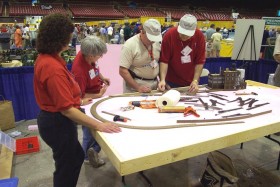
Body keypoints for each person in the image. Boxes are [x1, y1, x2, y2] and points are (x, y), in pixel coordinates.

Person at [33, 13, 121, 187]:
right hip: (57, 122)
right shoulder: (51, 67)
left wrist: (79, 101)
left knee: (73, 159)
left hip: (57, 119)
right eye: (69, 34)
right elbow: (66, 109)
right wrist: (98, 125)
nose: (72, 37)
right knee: (67, 166)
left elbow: (61, 96)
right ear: (60, 37)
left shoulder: (51, 58)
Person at [71, 35, 110, 168]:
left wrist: (102, 78)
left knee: (99, 125)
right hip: (88, 100)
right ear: (91, 55)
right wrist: (98, 94)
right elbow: (80, 95)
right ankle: (87, 157)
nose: (101, 57)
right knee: (89, 130)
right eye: (99, 55)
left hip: (95, 95)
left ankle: (93, 150)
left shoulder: (87, 56)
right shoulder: (79, 71)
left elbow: (95, 69)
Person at [158, 14, 206, 93]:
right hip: (171, 81)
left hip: (190, 82)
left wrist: (195, 80)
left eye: (188, 35)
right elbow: (164, 60)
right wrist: (162, 80)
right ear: (178, 26)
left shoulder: (199, 36)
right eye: (182, 33)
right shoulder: (169, 35)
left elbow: (200, 61)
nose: (184, 37)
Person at [119, 19, 162, 93]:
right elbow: (122, 70)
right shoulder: (129, 45)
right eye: (150, 38)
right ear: (142, 32)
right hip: (135, 87)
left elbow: (160, 63)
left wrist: (162, 80)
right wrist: (138, 87)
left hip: (155, 84)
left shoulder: (157, 43)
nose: (153, 41)